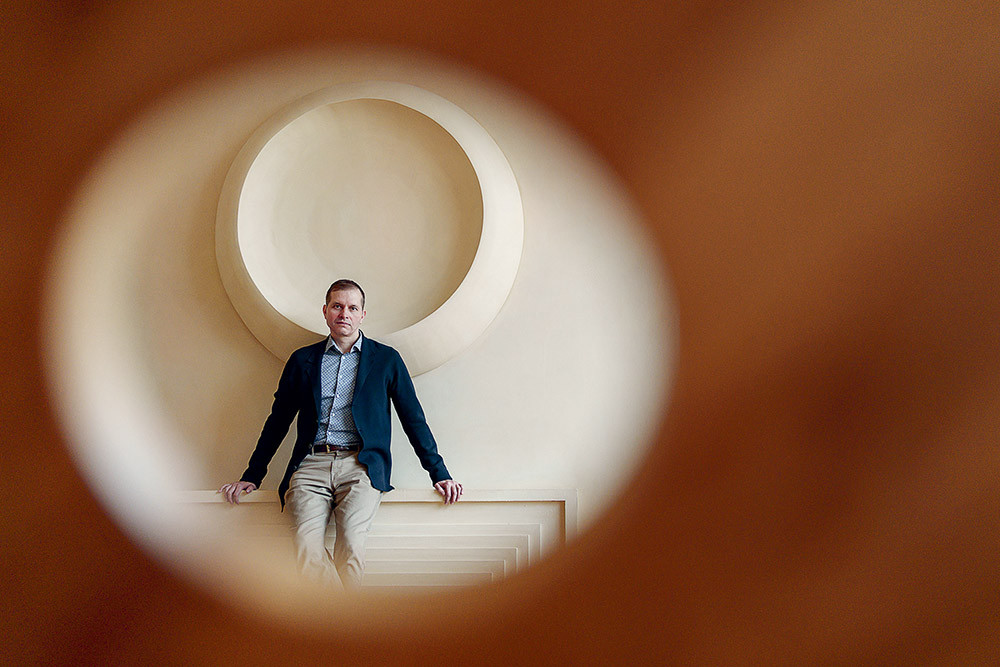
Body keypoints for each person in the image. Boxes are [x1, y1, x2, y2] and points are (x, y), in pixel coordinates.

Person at [219, 279, 463, 589]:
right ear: (325, 311)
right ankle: (348, 617)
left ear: (362, 314)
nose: (344, 314)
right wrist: (252, 475)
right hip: (311, 465)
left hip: (362, 466)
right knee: (306, 548)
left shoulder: (386, 360)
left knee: (351, 547)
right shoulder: (302, 360)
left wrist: (439, 473)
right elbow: (278, 421)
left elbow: (413, 420)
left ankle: (342, 619)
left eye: (352, 308)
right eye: (337, 306)